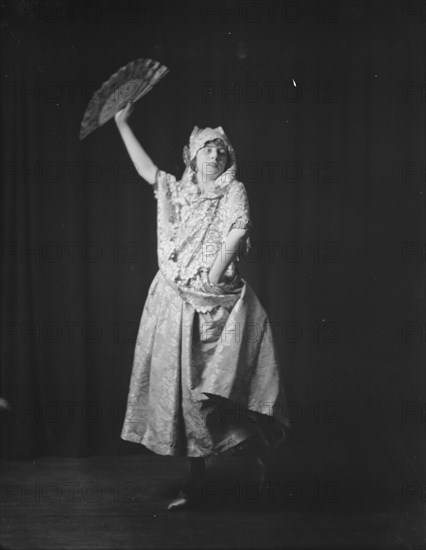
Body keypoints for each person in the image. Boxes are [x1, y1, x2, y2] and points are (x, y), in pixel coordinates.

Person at [115, 102, 290, 510]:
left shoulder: (233, 190)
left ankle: (254, 457)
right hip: (173, 300)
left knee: (220, 392)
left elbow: (238, 230)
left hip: (214, 304)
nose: (215, 154)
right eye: (207, 148)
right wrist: (122, 122)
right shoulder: (178, 191)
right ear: (192, 155)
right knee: (183, 393)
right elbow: (147, 171)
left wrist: (212, 276)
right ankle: (196, 481)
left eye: (222, 150)